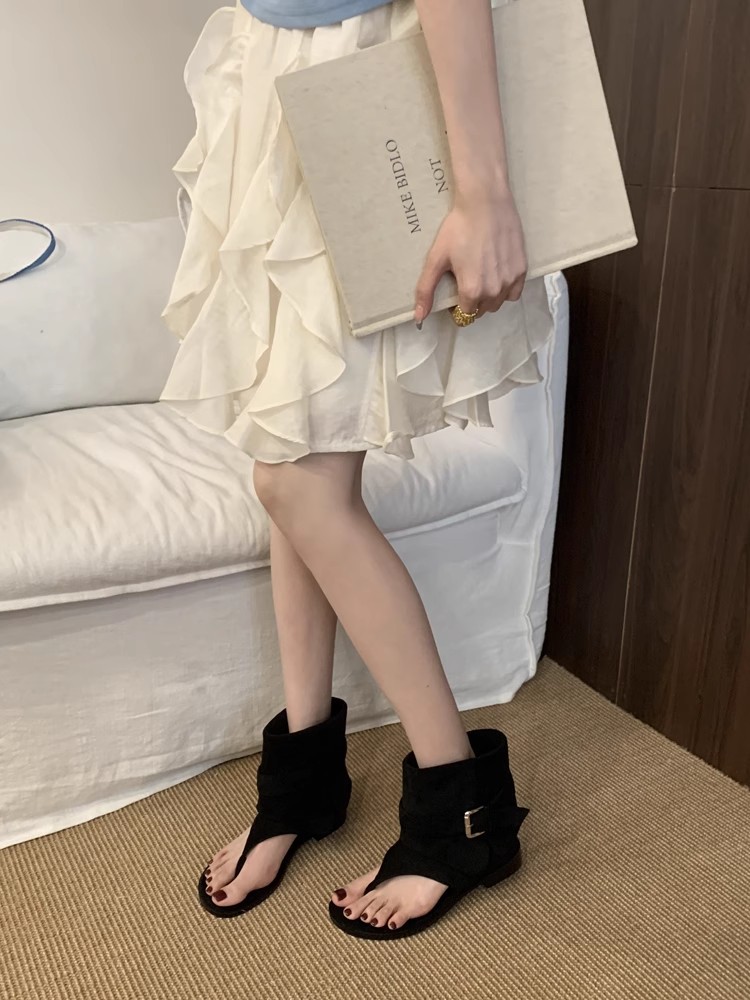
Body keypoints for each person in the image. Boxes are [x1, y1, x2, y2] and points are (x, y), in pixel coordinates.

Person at [160, 0, 548, 940]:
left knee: (294, 483)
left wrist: (482, 191)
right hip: (273, 72)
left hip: (362, 73)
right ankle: (304, 778)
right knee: (286, 455)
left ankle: (464, 809)